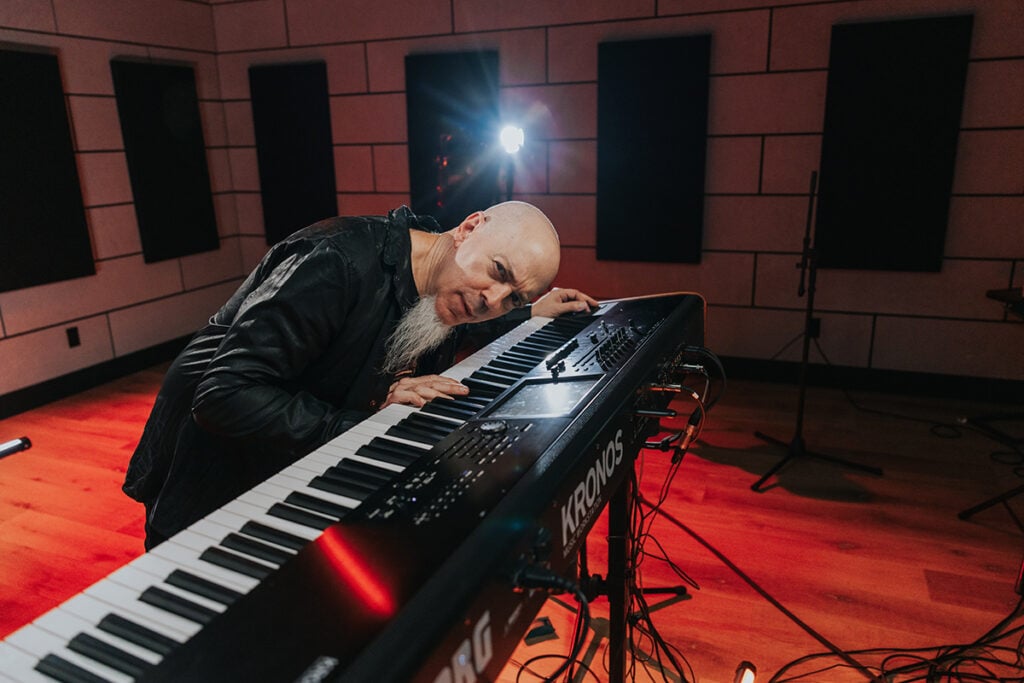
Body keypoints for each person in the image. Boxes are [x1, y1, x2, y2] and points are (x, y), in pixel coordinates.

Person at [123, 202, 597, 549]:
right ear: (469, 228)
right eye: (499, 271)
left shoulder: (445, 277)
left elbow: (466, 313)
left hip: (288, 473)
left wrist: (530, 313)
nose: (492, 299)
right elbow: (223, 394)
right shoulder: (336, 262)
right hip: (212, 481)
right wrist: (366, 425)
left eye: (513, 296)